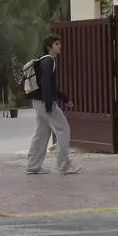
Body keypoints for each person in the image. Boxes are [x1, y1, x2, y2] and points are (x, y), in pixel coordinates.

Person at [25, 34, 81, 174]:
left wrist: (65, 99)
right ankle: (64, 165)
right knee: (63, 129)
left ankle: (33, 166)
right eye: (56, 44)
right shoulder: (49, 61)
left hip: (38, 102)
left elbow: (50, 86)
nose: (60, 46)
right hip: (45, 102)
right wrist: (49, 104)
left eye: (59, 43)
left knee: (41, 133)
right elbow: (46, 84)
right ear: (49, 47)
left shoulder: (44, 61)